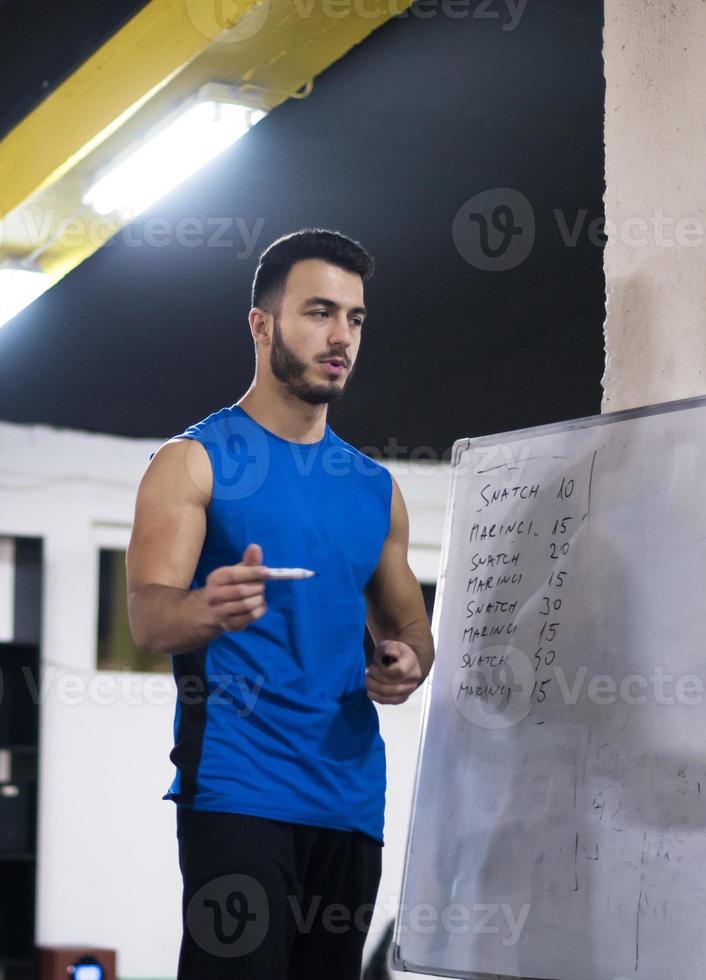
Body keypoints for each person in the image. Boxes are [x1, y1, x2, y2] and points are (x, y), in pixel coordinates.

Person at [126, 229, 435, 978]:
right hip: (237, 789)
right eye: (319, 312)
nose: (340, 337)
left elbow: (406, 628)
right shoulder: (192, 461)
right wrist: (209, 606)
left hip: (349, 796)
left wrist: (405, 662)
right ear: (262, 324)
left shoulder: (372, 488)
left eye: (354, 319)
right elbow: (146, 616)